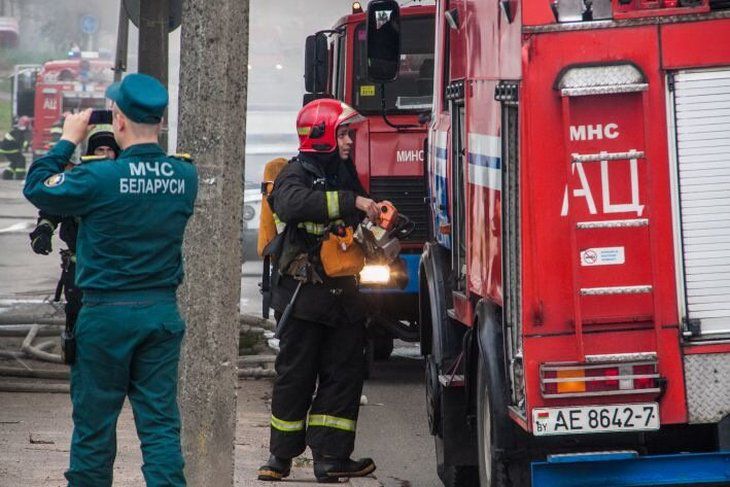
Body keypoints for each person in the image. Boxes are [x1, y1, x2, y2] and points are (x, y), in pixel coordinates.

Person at [23, 73, 198, 487]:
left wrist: (68, 140)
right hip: (160, 313)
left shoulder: (99, 178)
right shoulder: (183, 178)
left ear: (117, 120)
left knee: (95, 428)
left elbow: (38, 187)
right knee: (159, 427)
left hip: (105, 316)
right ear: (160, 121)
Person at [257, 99, 382, 483]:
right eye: (343, 133)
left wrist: (381, 216)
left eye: (349, 134)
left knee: (343, 377)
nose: (349, 141)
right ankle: (280, 458)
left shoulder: (344, 173)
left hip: (343, 298)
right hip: (304, 297)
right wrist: (350, 201)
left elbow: (357, 218)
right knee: (296, 375)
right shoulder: (296, 173)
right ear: (323, 134)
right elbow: (292, 204)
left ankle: (331, 459)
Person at [28, 126, 120, 362]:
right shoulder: (77, 180)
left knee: (113, 321)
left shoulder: (125, 183)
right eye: (99, 149)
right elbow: (52, 207)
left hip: (115, 267)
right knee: (78, 318)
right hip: (79, 268)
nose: (104, 154)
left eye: (110, 150)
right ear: (90, 152)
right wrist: (44, 229)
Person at [0, 116, 31, 180]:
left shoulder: (15, 129)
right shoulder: (20, 131)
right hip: (11, 150)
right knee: (21, 159)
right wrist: (25, 147)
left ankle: (7, 175)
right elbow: (21, 142)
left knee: (15, 161)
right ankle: (19, 175)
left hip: (4, 149)